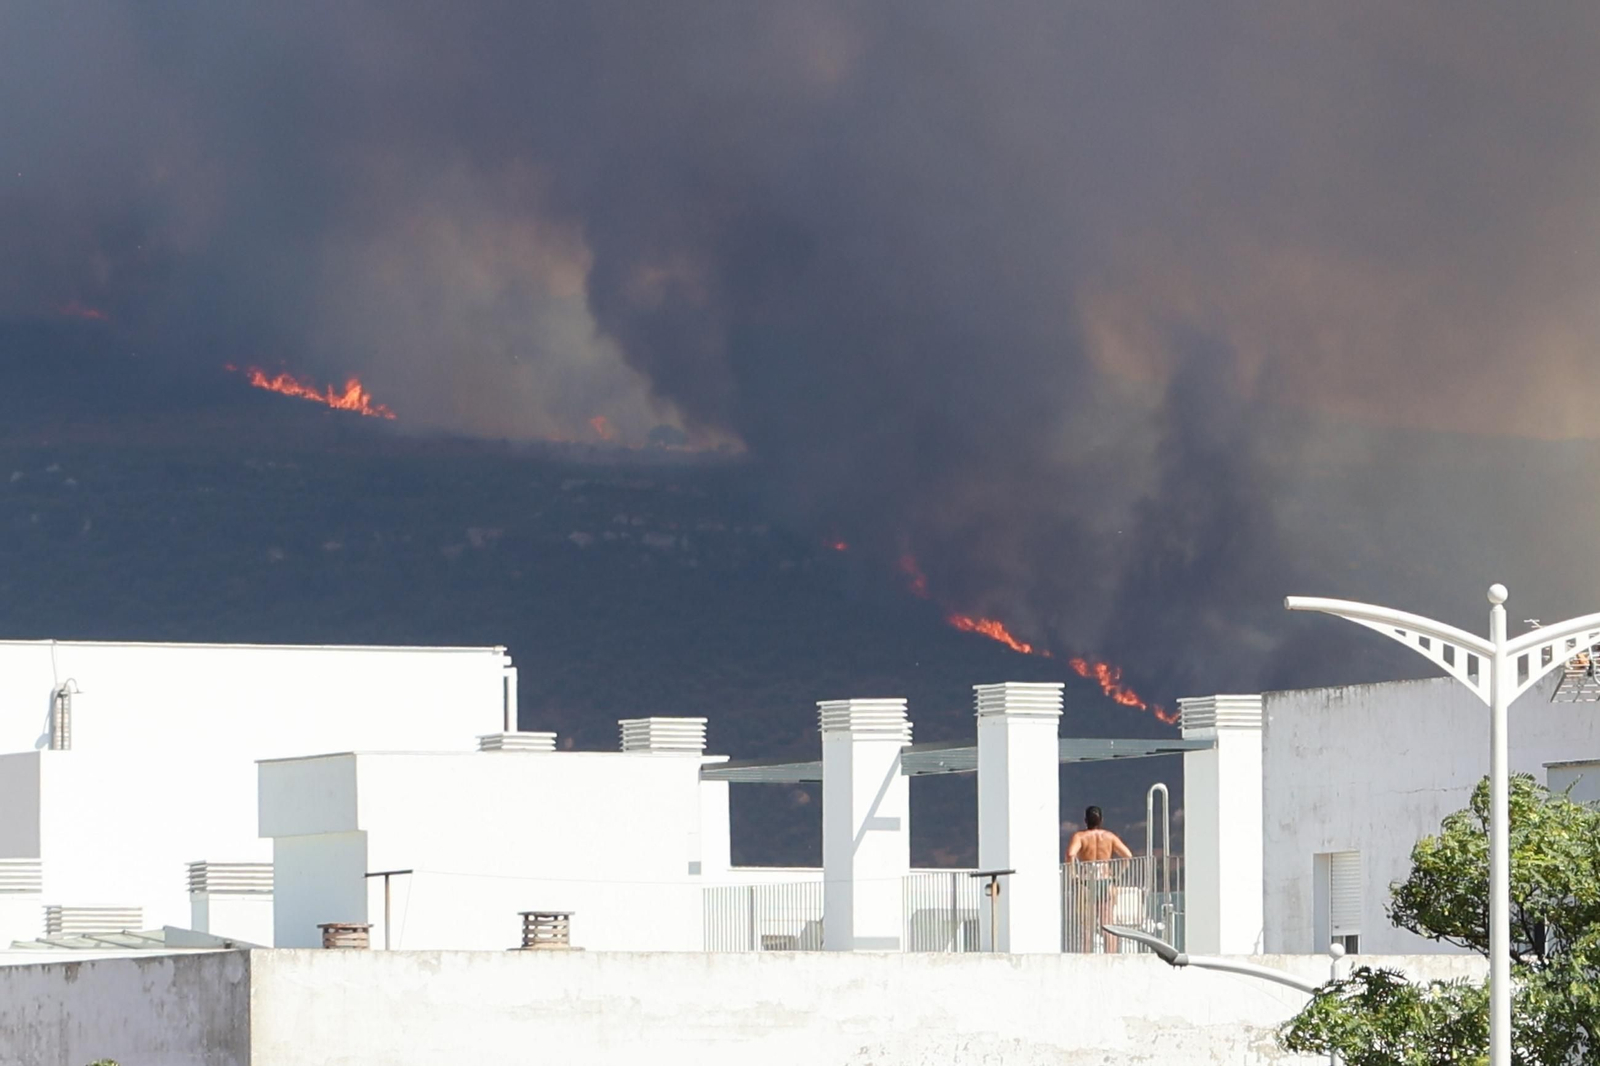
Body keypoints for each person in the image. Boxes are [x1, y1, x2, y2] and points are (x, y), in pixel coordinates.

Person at [1066, 806, 1133, 953]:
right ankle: (1111, 955)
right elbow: (1127, 855)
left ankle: (1087, 954)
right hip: (1106, 881)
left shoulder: (1080, 837)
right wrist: (1117, 874)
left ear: (1085, 821)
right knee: (1107, 923)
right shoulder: (1109, 837)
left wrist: (1074, 875)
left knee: (1087, 924)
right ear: (1101, 820)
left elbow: (1071, 854)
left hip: (1086, 883)